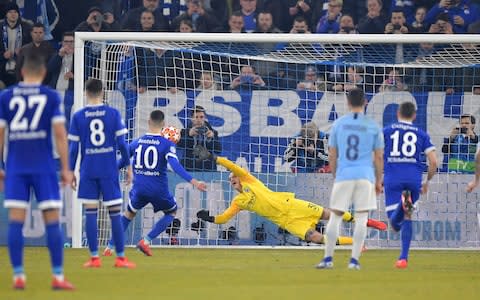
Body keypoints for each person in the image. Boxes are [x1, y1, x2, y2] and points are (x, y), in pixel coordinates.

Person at [195, 150, 387, 246]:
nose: (232, 180)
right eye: (231, 181)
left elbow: (232, 166)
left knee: (328, 214)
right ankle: (355, 242)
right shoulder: (238, 202)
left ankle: (365, 221)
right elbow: (224, 218)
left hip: (292, 205)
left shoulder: (249, 180)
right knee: (315, 238)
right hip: (286, 220)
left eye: (233, 177)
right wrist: (210, 218)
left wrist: (214, 158)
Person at [0, 53, 74, 290]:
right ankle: (58, 277)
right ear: (43, 73)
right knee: (52, 221)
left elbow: (0, 134)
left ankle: (19, 276)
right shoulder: (51, 96)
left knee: (15, 222)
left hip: (16, 167)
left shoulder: (6, 96)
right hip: (43, 167)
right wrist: (66, 168)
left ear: (21, 72)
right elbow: (60, 135)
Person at [103, 110, 207, 256]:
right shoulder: (167, 144)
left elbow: (120, 162)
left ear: (148, 122)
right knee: (171, 212)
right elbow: (175, 166)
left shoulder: (137, 142)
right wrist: (194, 181)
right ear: (163, 125)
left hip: (139, 189)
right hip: (159, 189)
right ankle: (145, 241)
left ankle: (109, 247)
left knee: (128, 214)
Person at [68, 78, 135, 269]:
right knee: (115, 213)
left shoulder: (78, 116)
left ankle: (94, 258)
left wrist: (70, 171)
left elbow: (73, 149)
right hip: (108, 168)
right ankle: (120, 258)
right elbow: (122, 144)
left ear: (85, 92)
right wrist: (129, 166)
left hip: (88, 169)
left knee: (90, 212)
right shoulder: (113, 114)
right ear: (103, 92)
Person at [317, 88, 384, 270]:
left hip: (344, 175)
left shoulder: (339, 124)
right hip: (365, 177)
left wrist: (335, 174)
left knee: (336, 216)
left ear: (347, 103)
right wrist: (378, 181)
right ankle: (354, 261)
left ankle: (328, 259)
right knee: (361, 218)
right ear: (366, 102)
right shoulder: (373, 126)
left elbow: (332, 153)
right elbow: (378, 157)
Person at [383, 101, 437, 269]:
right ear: (414, 115)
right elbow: (434, 162)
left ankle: (401, 207)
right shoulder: (421, 134)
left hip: (393, 178)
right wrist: (427, 181)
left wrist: (377, 177)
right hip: (413, 179)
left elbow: (375, 155)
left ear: (398, 113)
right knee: (407, 215)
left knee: (394, 223)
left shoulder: (386, 131)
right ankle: (403, 258)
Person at [177, 105, 222, 171]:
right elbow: (179, 146)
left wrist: (212, 138)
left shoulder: (212, 132)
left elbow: (218, 150)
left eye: (201, 117)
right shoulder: (185, 131)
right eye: (196, 117)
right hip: (189, 168)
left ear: (205, 118)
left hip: (208, 169)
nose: (199, 120)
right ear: (191, 118)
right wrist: (189, 135)